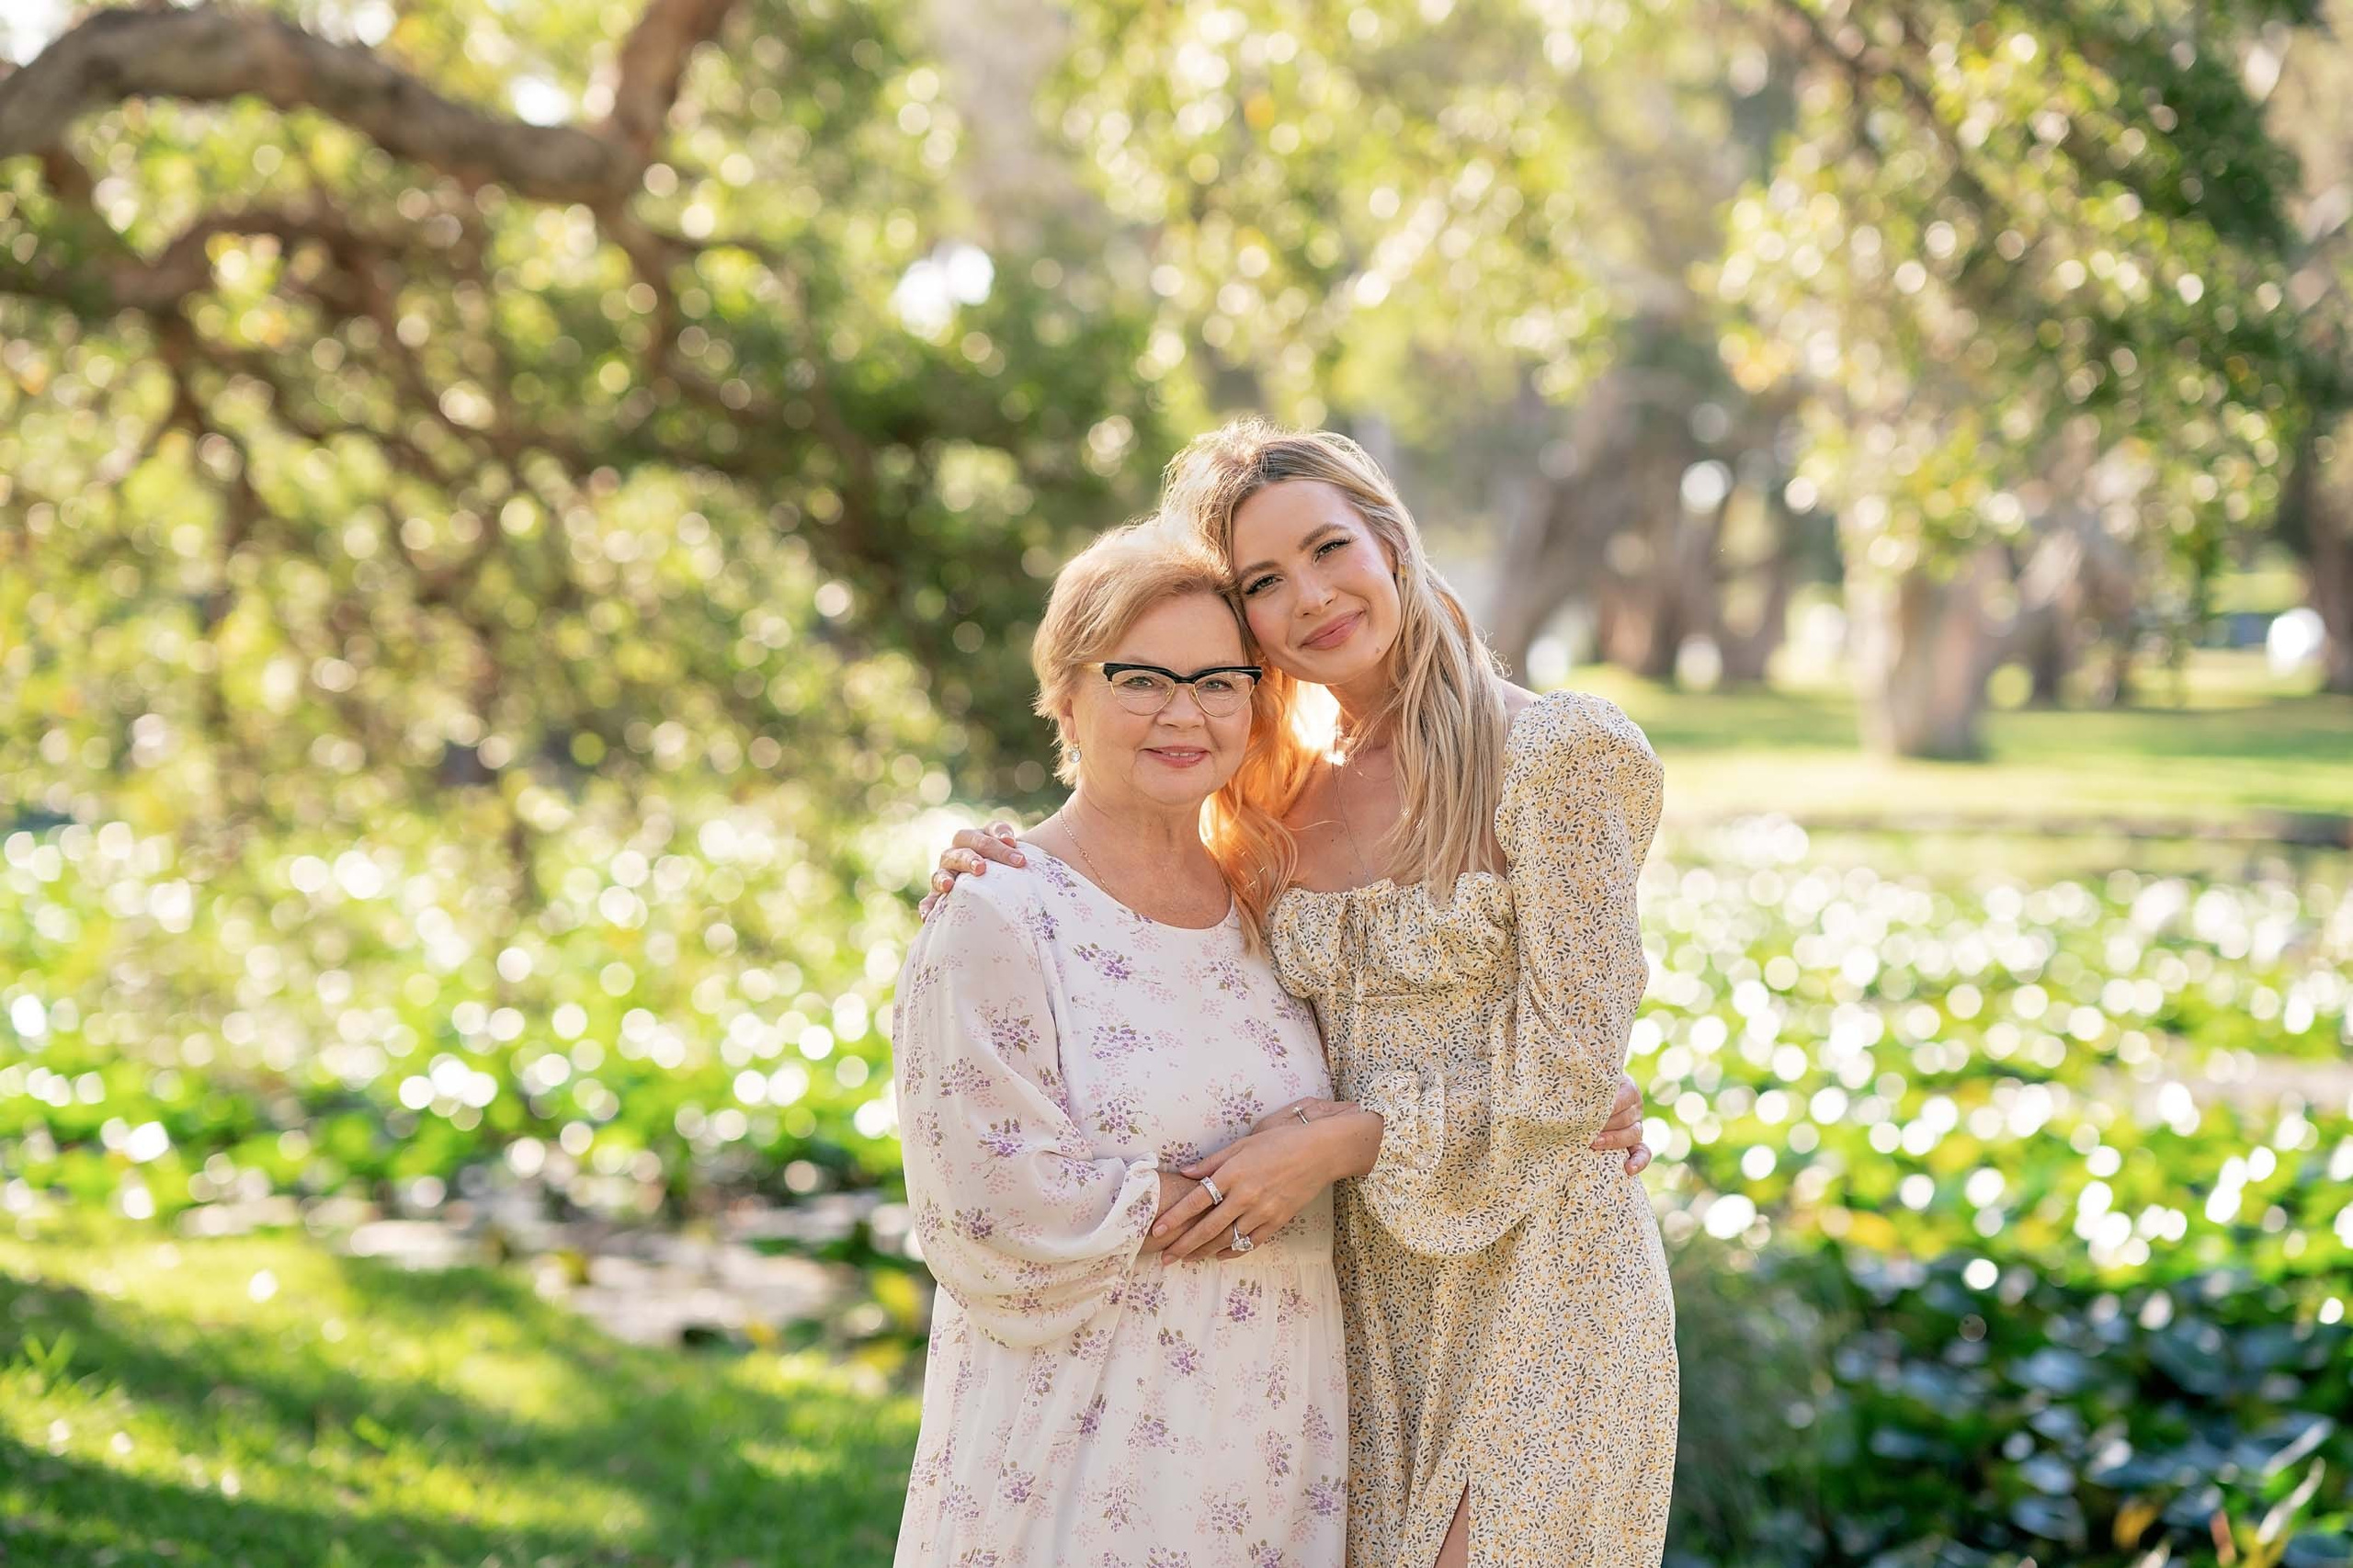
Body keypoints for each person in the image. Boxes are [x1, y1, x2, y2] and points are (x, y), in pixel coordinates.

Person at [926, 418, 1677, 1568]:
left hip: (1542, 1271)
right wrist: (999, 854)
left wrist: (1347, 1138)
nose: (1313, 596)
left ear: (1389, 540)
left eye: (1329, 549)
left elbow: (1570, 1065)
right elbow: (1141, 896)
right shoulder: (1267, 801)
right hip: (1349, 1298)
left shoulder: (1560, 752)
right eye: (1265, 582)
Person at [891, 521, 1360, 1568]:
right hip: (1079, 1447)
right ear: (1066, 693)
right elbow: (985, 1206)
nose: (1182, 712)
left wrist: (1565, 1100)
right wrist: (1265, 1171)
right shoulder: (997, 912)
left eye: (1218, 681)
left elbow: (1402, 1058)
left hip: (1274, 1437)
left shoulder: (1270, 904)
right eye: (1140, 677)